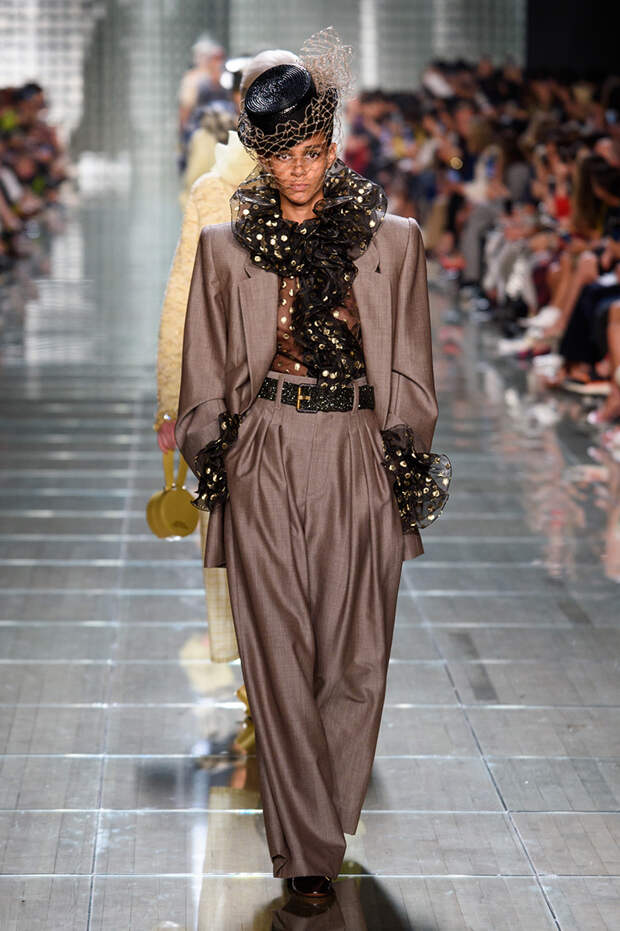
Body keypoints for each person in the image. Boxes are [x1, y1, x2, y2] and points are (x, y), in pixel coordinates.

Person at [176, 29, 451, 900]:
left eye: (313, 150)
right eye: (284, 155)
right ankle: (304, 852)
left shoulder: (394, 241)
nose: (300, 170)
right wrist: (213, 451)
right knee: (278, 657)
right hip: (264, 446)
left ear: (334, 145)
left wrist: (403, 466)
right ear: (262, 155)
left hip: (360, 449)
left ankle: (321, 817)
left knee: (355, 659)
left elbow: (415, 368)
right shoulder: (226, 246)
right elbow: (204, 371)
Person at [156, 51, 299, 749]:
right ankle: (277, 693)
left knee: (258, 551)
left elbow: (182, 301)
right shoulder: (228, 189)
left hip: (253, 402)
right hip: (281, 402)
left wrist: (171, 401)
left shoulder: (220, 187)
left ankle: (267, 692)